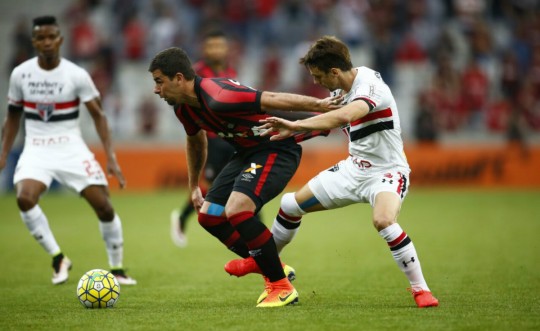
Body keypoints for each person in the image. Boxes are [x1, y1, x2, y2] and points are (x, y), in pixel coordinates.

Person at [227, 36, 439, 308]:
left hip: (387, 172)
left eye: (318, 76)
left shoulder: (370, 86)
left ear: (335, 72)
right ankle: (263, 263)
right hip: (353, 169)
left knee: (384, 220)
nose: (316, 82)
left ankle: (421, 290)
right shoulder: (340, 91)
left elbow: (344, 117)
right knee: (290, 205)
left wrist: (295, 126)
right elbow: (326, 124)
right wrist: (284, 135)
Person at [148, 46, 339, 307]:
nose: (156, 90)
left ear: (179, 78)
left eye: (159, 82)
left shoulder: (220, 96)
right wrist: (194, 186)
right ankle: (271, 264)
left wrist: (319, 105)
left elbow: (270, 98)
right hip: (246, 153)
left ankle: (281, 287)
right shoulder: (184, 109)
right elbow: (195, 141)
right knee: (210, 216)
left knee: (237, 209)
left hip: (276, 148)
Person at [0, 16, 136, 286]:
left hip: (71, 147)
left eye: (52, 37)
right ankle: (58, 258)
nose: (47, 42)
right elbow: (13, 116)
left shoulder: (76, 74)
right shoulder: (21, 74)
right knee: (25, 198)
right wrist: (4, 152)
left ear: (60, 40)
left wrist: (111, 157)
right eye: (41, 37)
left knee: (104, 207)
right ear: (34, 41)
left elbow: (99, 116)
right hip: (36, 148)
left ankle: (117, 268)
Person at [170, 29, 239, 247]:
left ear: (226, 49)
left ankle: (183, 218)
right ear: (204, 49)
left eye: (220, 46)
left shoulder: (230, 71)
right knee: (216, 186)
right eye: (211, 46)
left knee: (239, 183)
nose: (216, 50)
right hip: (209, 139)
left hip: (230, 137)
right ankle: (181, 218)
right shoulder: (195, 73)